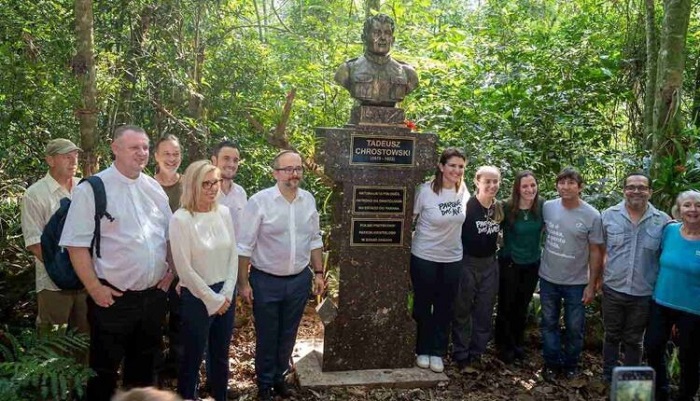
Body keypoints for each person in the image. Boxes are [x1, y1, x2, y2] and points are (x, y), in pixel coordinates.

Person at [60, 125, 174, 400]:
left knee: (144, 373)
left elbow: (169, 236)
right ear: (115, 148)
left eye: (145, 147)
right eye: (135, 147)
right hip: (112, 301)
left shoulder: (154, 188)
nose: (142, 153)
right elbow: (76, 246)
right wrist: (95, 289)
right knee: (103, 373)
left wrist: (170, 273)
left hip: (152, 299)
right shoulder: (93, 189)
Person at [237, 150, 325, 401]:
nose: (294, 174)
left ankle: (280, 378)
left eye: (298, 169)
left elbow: (314, 239)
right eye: (288, 169)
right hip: (266, 280)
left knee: (288, 333)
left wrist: (318, 273)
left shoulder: (307, 200)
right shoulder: (259, 202)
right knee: (267, 334)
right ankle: (264, 383)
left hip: (298, 280)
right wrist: (243, 283)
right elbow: (244, 246)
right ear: (275, 173)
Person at [169, 160, 238, 401]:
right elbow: (184, 269)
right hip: (197, 297)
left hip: (226, 293)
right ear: (192, 185)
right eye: (205, 183)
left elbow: (233, 255)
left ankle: (221, 396)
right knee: (192, 356)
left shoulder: (224, 213)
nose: (212, 188)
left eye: (215, 182)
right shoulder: (181, 219)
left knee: (220, 355)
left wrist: (227, 292)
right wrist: (212, 299)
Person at [600, 172, 669, 381]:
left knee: (634, 339)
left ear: (650, 191)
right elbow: (598, 250)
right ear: (624, 190)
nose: (636, 191)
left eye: (641, 187)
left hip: (644, 293)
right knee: (611, 335)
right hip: (613, 288)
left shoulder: (664, 221)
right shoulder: (608, 216)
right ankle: (607, 376)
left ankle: (629, 380)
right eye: (631, 186)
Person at [539, 167, 604, 381]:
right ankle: (551, 363)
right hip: (548, 278)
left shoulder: (592, 215)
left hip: (577, 282)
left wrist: (592, 283)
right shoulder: (547, 207)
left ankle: (571, 364)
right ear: (556, 185)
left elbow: (596, 251)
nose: (566, 187)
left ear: (580, 187)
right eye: (562, 183)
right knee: (549, 323)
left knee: (575, 327)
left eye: (571, 183)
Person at [21, 138, 88, 335]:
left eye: (75, 157)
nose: (73, 161)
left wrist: (85, 272)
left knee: (84, 339)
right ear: (50, 160)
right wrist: (65, 271)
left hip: (86, 281)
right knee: (54, 341)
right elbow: (35, 244)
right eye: (67, 157)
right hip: (53, 285)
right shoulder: (35, 194)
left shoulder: (84, 188)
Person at [411, 148, 469, 373]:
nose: (456, 170)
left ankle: (437, 351)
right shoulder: (425, 191)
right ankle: (421, 348)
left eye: (461, 166)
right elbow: (411, 221)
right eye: (452, 165)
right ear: (441, 166)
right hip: (425, 256)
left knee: (445, 306)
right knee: (424, 303)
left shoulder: (463, 191)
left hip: (452, 258)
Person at [645, 190, 700, 401]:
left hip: (693, 309)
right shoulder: (669, 231)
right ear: (678, 210)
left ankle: (685, 396)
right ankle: (661, 391)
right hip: (661, 301)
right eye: (687, 205)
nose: (693, 210)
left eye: (697, 205)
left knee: (689, 357)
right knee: (653, 346)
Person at [452, 165, 502, 369]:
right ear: (477, 182)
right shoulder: (467, 205)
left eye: (495, 181)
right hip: (467, 262)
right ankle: (460, 353)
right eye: (487, 181)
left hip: (490, 264)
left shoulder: (498, 207)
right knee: (462, 309)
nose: (492, 185)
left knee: (484, 310)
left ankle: (477, 352)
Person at [494, 171, 544, 364]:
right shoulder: (506, 207)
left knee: (523, 306)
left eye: (533, 185)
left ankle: (517, 343)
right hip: (510, 262)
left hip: (532, 263)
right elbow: (491, 228)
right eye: (525, 186)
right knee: (506, 305)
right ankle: (503, 345)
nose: (529, 189)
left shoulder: (542, 206)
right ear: (517, 188)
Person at [334, 13, 418, 107]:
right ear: (364, 38)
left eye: (387, 33)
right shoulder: (348, 69)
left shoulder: (407, 72)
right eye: (376, 33)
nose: (382, 38)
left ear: (392, 39)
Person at [153, 134, 183, 380]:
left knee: (179, 322)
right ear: (156, 156)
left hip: (183, 268)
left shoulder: (189, 186)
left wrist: (175, 269)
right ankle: (152, 370)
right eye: (166, 154)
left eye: (176, 154)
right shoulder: (145, 186)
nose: (171, 159)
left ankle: (176, 369)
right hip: (152, 267)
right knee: (152, 321)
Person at [210, 140, 247, 236]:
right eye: (226, 159)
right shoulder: (204, 192)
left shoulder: (240, 193)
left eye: (235, 160)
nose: (231, 164)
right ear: (214, 161)